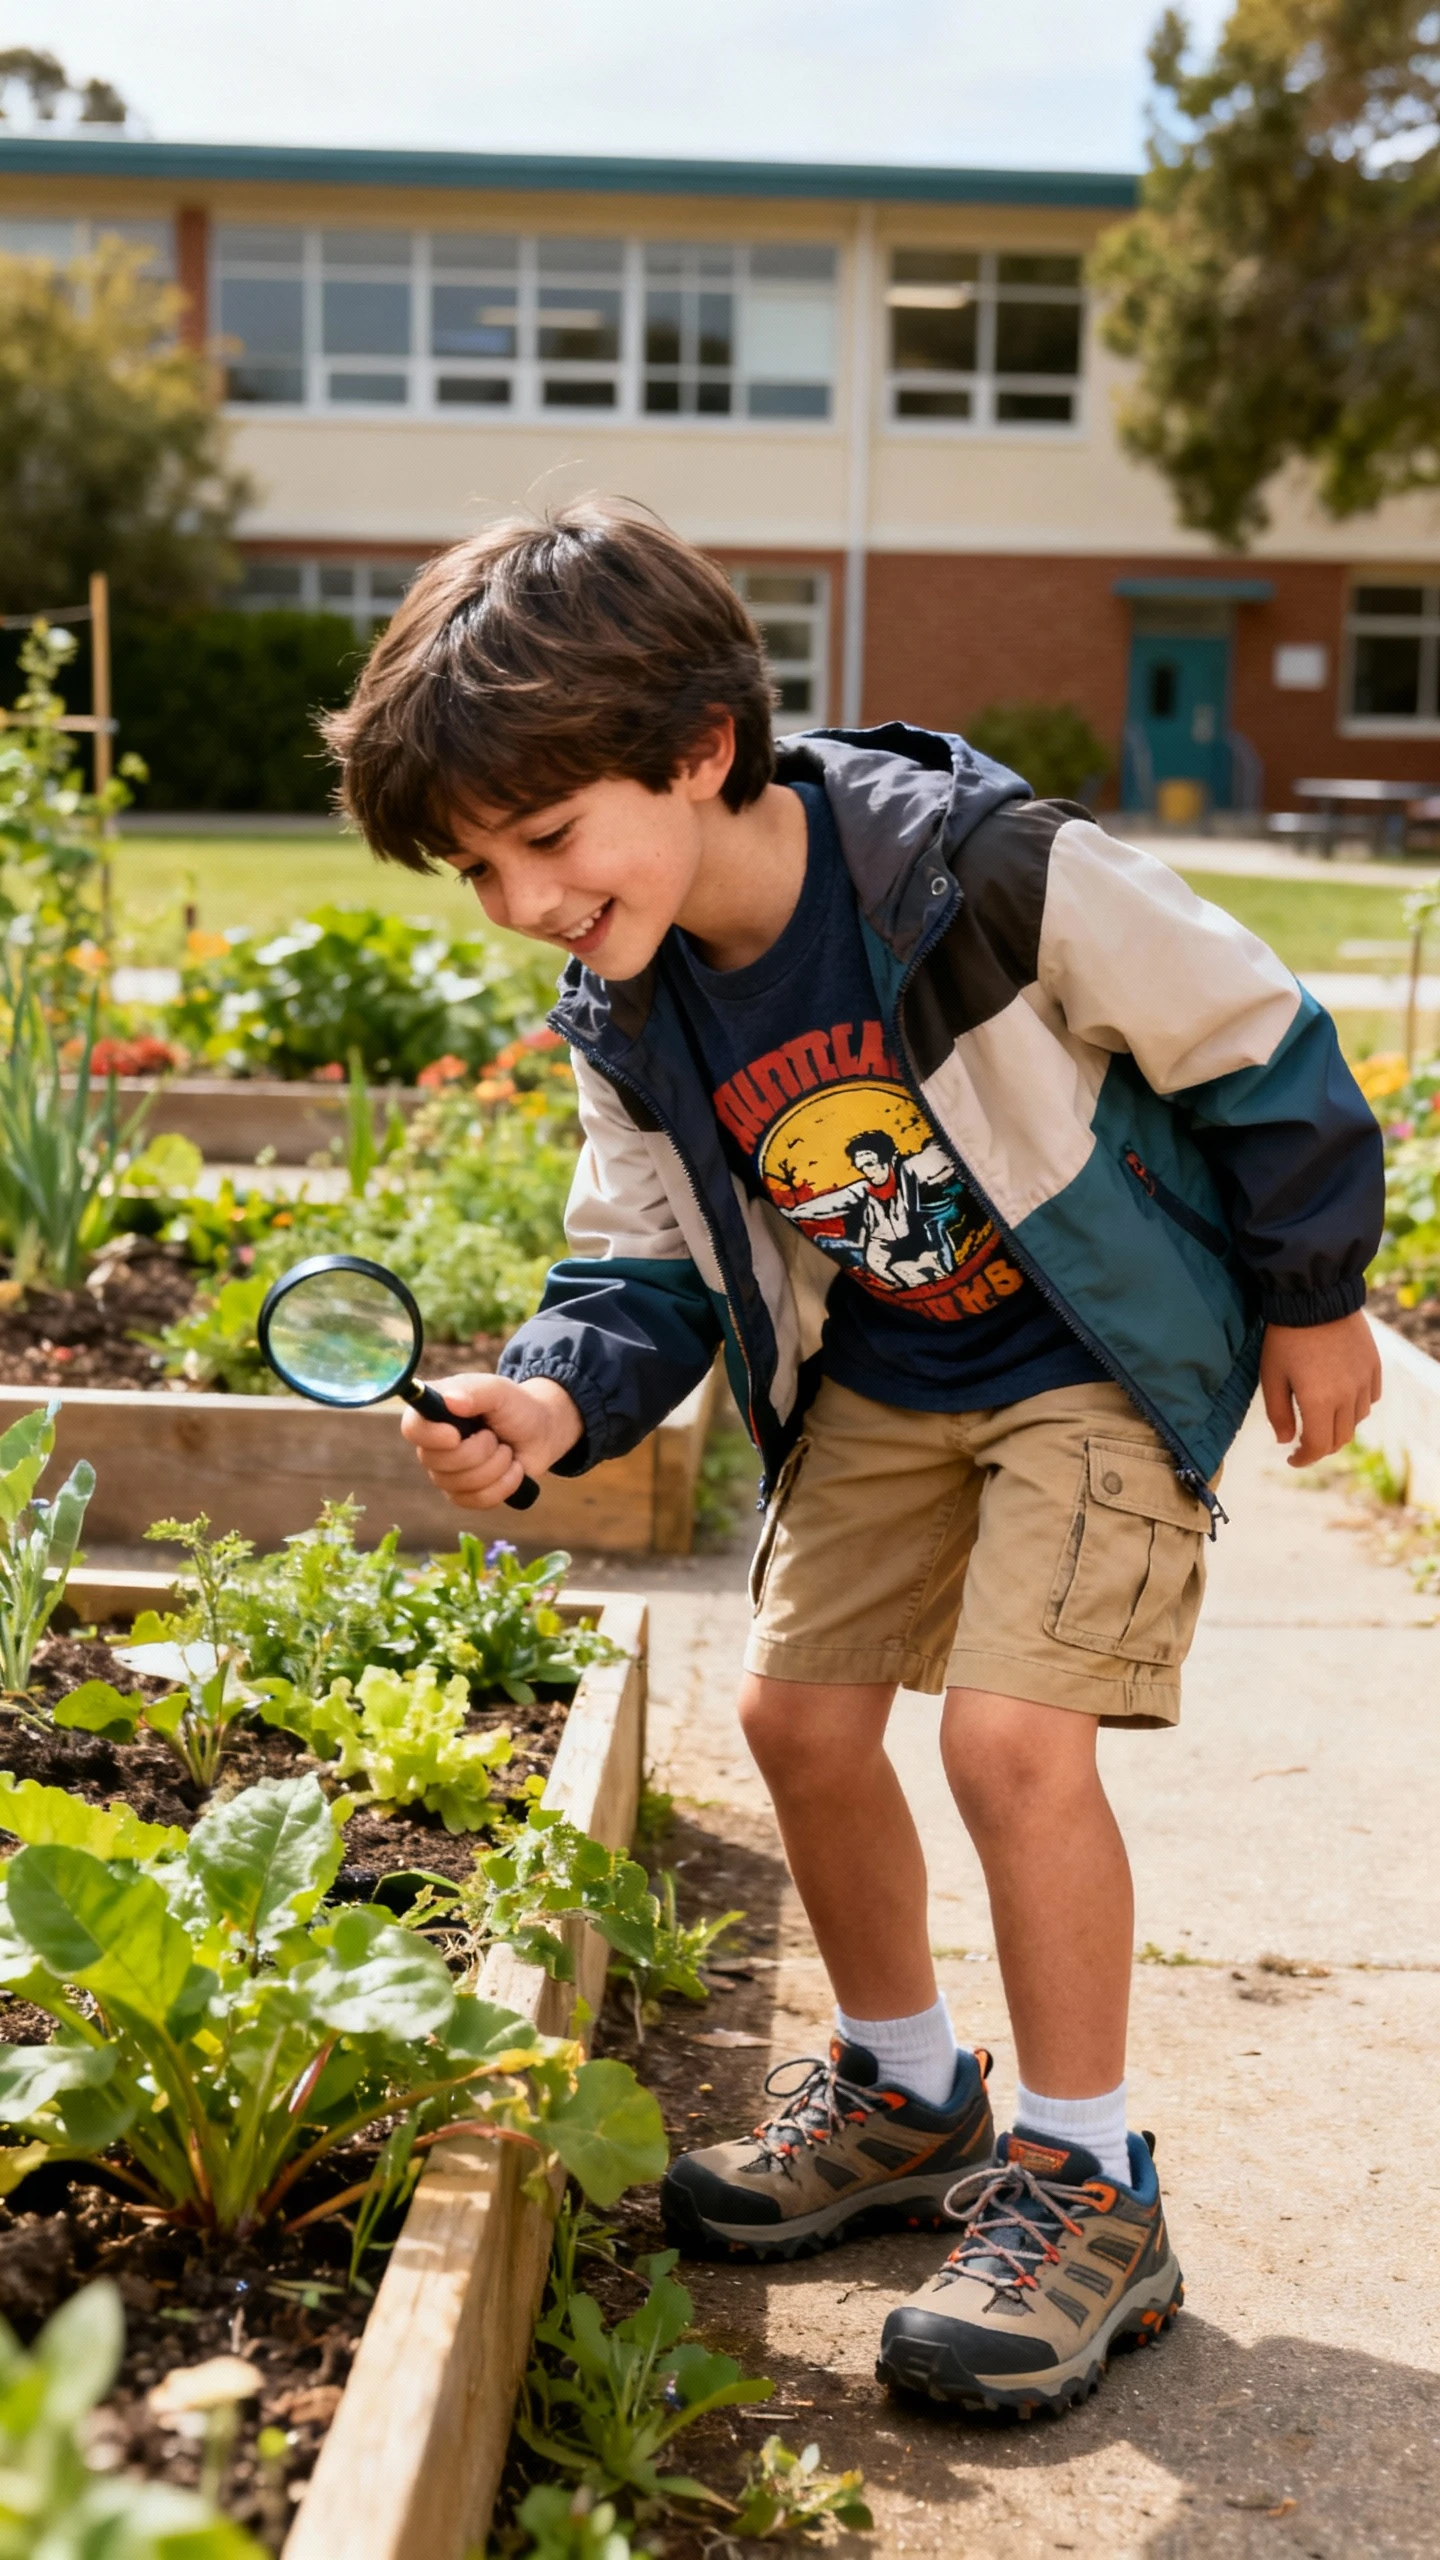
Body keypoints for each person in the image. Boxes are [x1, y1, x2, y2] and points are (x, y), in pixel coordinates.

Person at [324, 502, 1384, 2418]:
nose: (518, 902)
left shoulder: (974, 873)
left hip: (1094, 1353)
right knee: (797, 1719)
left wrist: (1315, 1296)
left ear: (704, 749)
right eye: (477, 870)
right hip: (891, 1371)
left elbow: (1258, 1032)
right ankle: (905, 2093)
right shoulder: (628, 1004)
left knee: (1004, 1739)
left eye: (547, 840)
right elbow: (636, 1251)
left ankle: (1086, 2179)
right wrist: (557, 1401)